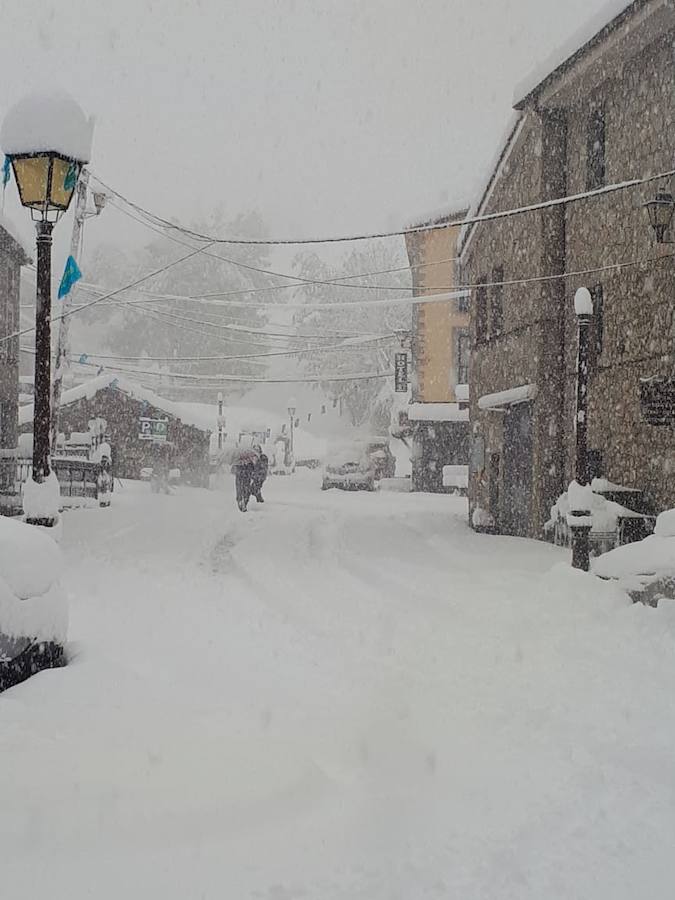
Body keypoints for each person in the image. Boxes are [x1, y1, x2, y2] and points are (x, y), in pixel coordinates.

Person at [231, 447, 258, 512]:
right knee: (245, 490)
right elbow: (253, 469)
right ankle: (244, 502)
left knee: (240, 490)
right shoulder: (249, 461)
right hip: (246, 478)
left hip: (240, 478)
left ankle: (241, 502)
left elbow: (232, 470)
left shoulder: (237, 461)